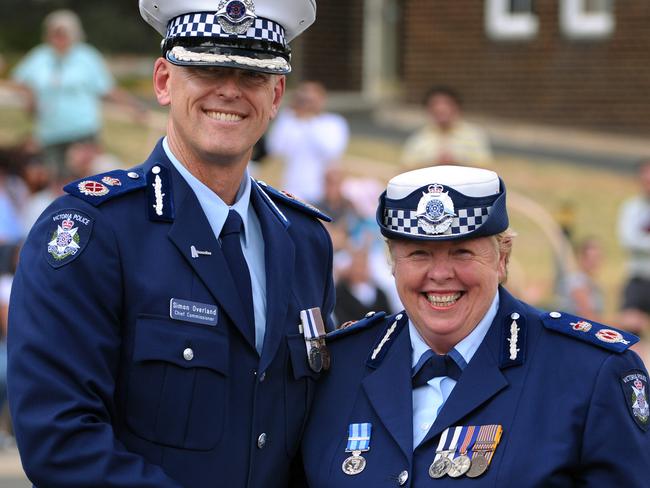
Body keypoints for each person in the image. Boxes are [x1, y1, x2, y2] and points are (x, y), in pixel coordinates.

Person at [8, 1, 334, 487]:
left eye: (252, 74)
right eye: (206, 67)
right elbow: (61, 442)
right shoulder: (93, 230)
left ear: (277, 93)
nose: (229, 90)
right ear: (163, 81)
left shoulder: (304, 238)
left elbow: (315, 431)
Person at [301, 165, 650, 486]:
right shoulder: (339, 367)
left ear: (502, 259)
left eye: (462, 252)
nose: (439, 274)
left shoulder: (589, 373)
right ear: (393, 263)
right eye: (418, 254)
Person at [10, 9, 146, 180]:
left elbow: (108, 89)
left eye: (63, 33)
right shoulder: (40, 56)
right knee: (55, 181)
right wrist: (30, 99)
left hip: (81, 131)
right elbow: (20, 80)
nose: (59, 38)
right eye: (55, 33)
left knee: (86, 181)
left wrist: (134, 107)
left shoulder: (87, 57)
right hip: (50, 133)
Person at [267, 80, 349, 202]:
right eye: (303, 99)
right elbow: (275, 149)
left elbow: (332, 151)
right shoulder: (290, 121)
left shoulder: (333, 122)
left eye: (311, 100)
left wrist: (311, 120)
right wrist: (288, 114)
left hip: (322, 193)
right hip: (292, 190)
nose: (307, 104)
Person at [401, 86, 493, 170]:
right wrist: (434, 164)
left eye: (446, 104)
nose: (441, 108)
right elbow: (404, 170)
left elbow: (487, 169)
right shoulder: (418, 138)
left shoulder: (474, 135)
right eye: (435, 105)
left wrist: (457, 163)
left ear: (457, 107)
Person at [618, 158, 650, 337]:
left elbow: (636, 240)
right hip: (637, 280)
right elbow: (628, 240)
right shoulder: (631, 208)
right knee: (631, 332)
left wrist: (642, 240)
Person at [556, 236, 604, 321]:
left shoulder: (591, 283)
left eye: (597, 258)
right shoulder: (577, 282)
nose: (594, 263)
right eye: (591, 258)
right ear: (581, 258)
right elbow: (587, 317)